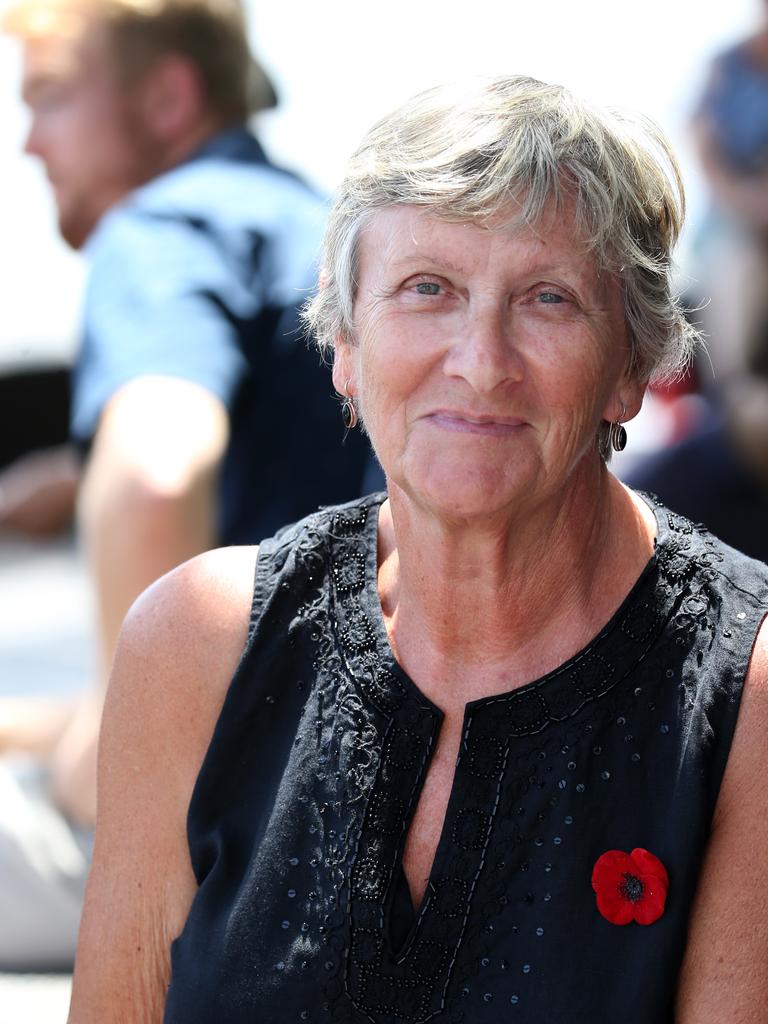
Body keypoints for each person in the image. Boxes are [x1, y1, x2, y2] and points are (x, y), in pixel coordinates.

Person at [70, 76, 768, 1022]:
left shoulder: (746, 693)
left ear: (632, 367)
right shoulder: (199, 644)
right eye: (426, 289)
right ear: (344, 344)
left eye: (549, 299)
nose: (481, 360)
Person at [0, 0, 369, 970]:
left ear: (168, 97)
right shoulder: (323, 231)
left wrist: (123, 769)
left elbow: (158, 473)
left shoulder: (162, 223)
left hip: (214, 856)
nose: (28, 140)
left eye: (49, 98)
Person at [625, 4, 768, 561]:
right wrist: (751, 202)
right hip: (736, 224)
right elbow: (703, 144)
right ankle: (734, 392)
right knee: (733, 267)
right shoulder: (728, 64)